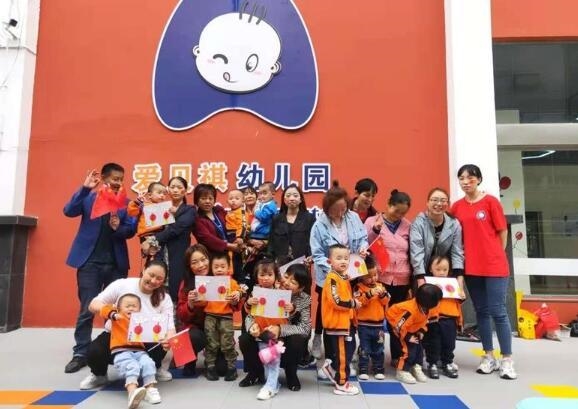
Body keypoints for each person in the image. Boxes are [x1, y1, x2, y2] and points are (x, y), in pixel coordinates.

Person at [63, 163, 136, 374]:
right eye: (115, 178)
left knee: (115, 310)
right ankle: (81, 353)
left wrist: (118, 228)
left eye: (121, 179)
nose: (118, 182)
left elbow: (130, 230)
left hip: (115, 264)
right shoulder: (88, 198)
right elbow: (68, 211)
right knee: (88, 309)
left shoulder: (125, 203)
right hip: (89, 263)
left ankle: (112, 348)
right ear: (104, 178)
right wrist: (85, 188)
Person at [451, 164, 517, 380]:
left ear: (478, 179)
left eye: (470, 178)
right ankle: (488, 355)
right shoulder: (457, 207)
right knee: (481, 311)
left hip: (495, 266)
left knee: (499, 311)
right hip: (471, 267)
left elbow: (502, 231)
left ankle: (507, 358)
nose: (466, 182)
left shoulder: (490, 202)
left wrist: (496, 254)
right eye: (462, 178)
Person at [79, 261, 175, 392]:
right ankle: (99, 375)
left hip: (145, 340)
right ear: (144, 270)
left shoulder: (164, 298)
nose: (153, 281)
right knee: (94, 351)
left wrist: (168, 339)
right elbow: (93, 305)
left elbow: (170, 327)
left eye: (159, 278)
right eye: (151, 275)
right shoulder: (122, 284)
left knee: (161, 345)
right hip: (116, 336)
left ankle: (154, 368)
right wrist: (111, 312)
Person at [309, 181, 368, 366]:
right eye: (336, 210)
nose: (341, 213)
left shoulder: (353, 217)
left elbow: (363, 238)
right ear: (327, 208)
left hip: (352, 272)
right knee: (328, 310)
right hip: (329, 276)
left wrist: (363, 248)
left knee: (349, 308)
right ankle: (326, 348)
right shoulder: (319, 225)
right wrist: (335, 270)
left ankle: (348, 348)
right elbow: (317, 254)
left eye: (344, 208)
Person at [238, 262, 312, 393]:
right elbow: (250, 316)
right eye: (286, 276)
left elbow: (305, 328)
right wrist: (252, 326)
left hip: (284, 339)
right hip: (262, 332)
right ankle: (255, 372)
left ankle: (291, 374)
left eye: (293, 282)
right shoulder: (267, 290)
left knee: (298, 339)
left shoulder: (304, 300)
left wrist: (280, 329)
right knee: (244, 339)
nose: (287, 283)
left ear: (301, 288)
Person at [365, 189, 412, 366]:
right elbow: (364, 245)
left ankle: (397, 355)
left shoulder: (408, 225)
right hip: (379, 278)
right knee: (374, 319)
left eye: (403, 213)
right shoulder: (372, 221)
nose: (399, 215)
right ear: (388, 205)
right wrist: (375, 231)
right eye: (396, 211)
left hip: (401, 279)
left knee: (397, 319)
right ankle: (372, 356)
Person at [99, 293, 161, 408]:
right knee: (132, 366)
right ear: (119, 308)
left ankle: (150, 390)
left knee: (149, 363)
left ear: (139, 309)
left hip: (140, 351)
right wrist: (114, 314)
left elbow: (153, 333)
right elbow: (103, 309)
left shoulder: (141, 320)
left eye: (134, 306)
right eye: (127, 306)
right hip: (121, 351)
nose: (131, 308)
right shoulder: (117, 318)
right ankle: (132, 392)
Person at [141, 176, 196, 302]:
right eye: (172, 187)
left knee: (175, 294)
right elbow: (148, 230)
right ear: (168, 190)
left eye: (179, 187)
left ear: (185, 190)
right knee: (154, 294)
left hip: (177, 257)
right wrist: (146, 245)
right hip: (159, 256)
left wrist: (152, 240)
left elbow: (175, 229)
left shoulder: (190, 210)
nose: (175, 190)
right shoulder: (159, 208)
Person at [241, 257, 287, 400]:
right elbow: (249, 313)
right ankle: (273, 383)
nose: (266, 278)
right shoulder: (255, 293)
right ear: (256, 276)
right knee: (267, 359)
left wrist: (290, 308)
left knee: (273, 360)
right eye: (262, 275)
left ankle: (270, 387)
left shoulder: (281, 291)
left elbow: (288, 314)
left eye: (269, 275)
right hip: (260, 333)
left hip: (275, 333)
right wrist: (248, 303)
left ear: (275, 276)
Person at [319, 244, 360, 395]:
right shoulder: (332, 279)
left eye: (346, 258)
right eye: (339, 258)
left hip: (346, 322)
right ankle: (342, 383)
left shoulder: (342, 277)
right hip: (338, 324)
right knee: (343, 355)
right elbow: (336, 301)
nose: (343, 261)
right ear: (329, 261)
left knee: (349, 351)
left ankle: (331, 368)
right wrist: (352, 303)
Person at [385, 283, 443, 384]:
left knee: (419, 351)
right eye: (437, 301)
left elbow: (425, 321)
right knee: (407, 351)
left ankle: (416, 366)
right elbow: (399, 326)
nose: (439, 303)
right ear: (429, 302)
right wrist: (408, 337)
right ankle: (402, 371)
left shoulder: (428, 308)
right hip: (400, 327)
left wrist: (421, 331)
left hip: (414, 328)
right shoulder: (410, 311)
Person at [198, 253, 242, 381]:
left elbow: (239, 292)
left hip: (226, 317)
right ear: (211, 268)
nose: (219, 270)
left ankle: (232, 368)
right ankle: (210, 367)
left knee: (227, 343)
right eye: (216, 267)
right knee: (211, 342)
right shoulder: (207, 282)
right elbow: (201, 300)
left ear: (229, 268)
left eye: (223, 266)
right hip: (210, 316)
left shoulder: (232, 283)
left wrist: (237, 294)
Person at [409, 187, 465, 288]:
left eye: (443, 201)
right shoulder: (418, 223)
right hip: (422, 273)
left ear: (448, 204)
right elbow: (416, 252)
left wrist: (459, 278)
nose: (439, 204)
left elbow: (457, 252)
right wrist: (420, 279)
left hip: (445, 274)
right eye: (435, 200)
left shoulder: (454, 224)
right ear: (427, 203)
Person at [421, 256, 463, 379]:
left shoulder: (453, 284)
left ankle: (447, 363)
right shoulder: (427, 284)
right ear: (431, 269)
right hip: (433, 319)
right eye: (438, 269)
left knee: (449, 343)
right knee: (433, 342)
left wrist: (461, 294)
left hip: (450, 318)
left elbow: (459, 302)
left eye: (445, 270)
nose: (441, 272)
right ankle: (432, 363)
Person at [353, 255, 390, 380]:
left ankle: (378, 368)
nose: (373, 278)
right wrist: (369, 294)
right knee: (365, 348)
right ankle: (363, 368)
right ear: (361, 276)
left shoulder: (381, 286)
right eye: (369, 276)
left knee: (379, 348)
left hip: (379, 325)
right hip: (364, 325)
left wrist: (382, 295)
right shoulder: (359, 287)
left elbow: (386, 301)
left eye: (375, 275)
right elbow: (359, 302)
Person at [268, 184, 315, 263]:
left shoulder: (309, 218)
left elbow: (312, 241)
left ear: (301, 199)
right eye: (288, 196)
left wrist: (310, 256)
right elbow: (271, 243)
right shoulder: (276, 219)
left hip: (302, 263)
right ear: (284, 200)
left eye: (295, 196)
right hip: (280, 263)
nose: (292, 198)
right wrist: (271, 260)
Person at [192, 183, 240, 259]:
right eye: (203, 198)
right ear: (197, 200)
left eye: (210, 198)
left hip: (231, 254)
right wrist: (230, 246)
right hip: (212, 256)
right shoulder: (196, 219)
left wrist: (239, 239)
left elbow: (233, 224)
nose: (207, 201)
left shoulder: (220, 211)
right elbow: (208, 239)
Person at [127, 182, 168, 264]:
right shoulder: (143, 205)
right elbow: (131, 212)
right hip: (147, 235)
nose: (162, 195)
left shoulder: (164, 207)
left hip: (159, 235)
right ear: (149, 195)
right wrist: (137, 202)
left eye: (164, 194)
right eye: (159, 193)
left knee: (161, 257)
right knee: (153, 258)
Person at [225, 189, 249, 281]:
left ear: (243, 201)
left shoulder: (242, 212)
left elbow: (243, 226)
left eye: (236, 198)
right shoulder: (229, 212)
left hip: (237, 240)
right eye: (231, 198)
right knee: (230, 263)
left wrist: (240, 238)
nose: (233, 201)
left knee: (238, 264)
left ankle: (241, 284)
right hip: (229, 240)